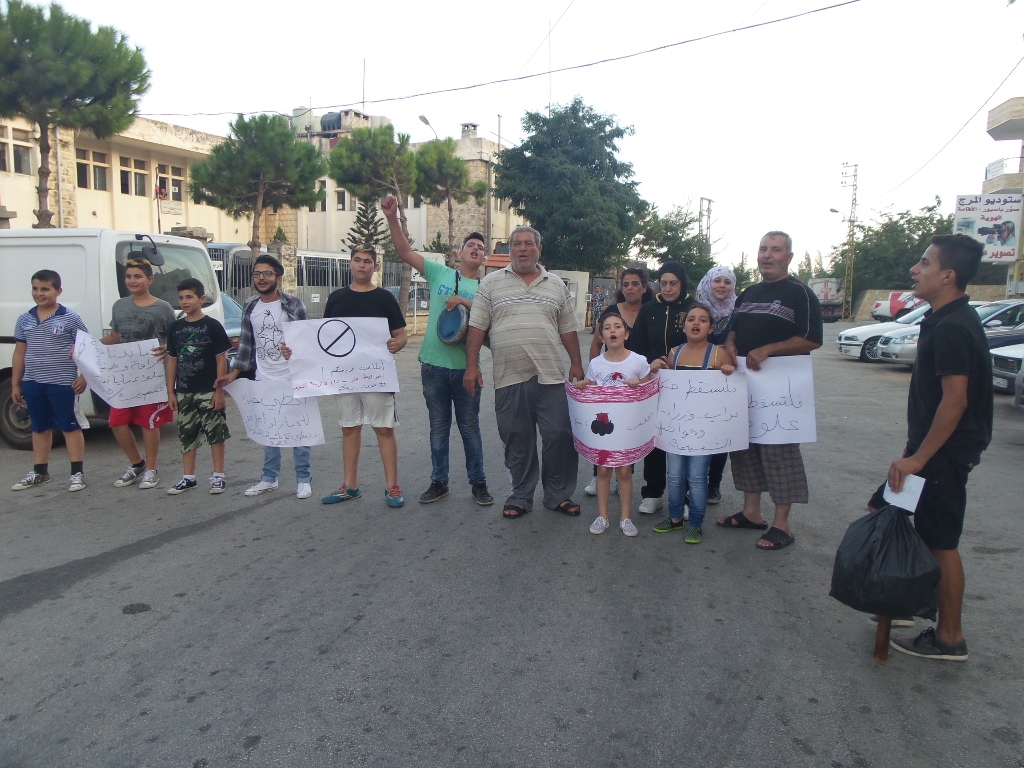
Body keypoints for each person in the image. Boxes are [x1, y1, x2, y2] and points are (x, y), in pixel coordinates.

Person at [871, 235, 992, 662]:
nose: (914, 270)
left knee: (940, 541)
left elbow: (955, 401)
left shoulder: (956, 326)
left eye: (924, 263)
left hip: (942, 454)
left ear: (948, 275)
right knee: (885, 515)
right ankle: (903, 602)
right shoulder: (940, 318)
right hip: (927, 448)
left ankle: (950, 637)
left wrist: (919, 458)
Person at [464, 225, 584, 520]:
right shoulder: (491, 283)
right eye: (516, 244)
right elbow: (477, 327)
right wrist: (471, 366)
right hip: (509, 375)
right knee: (517, 437)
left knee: (559, 434)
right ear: (509, 250)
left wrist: (577, 364)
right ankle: (521, 494)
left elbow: (568, 328)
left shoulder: (556, 285)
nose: (522, 248)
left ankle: (558, 495)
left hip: (552, 375)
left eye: (529, 244)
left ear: (539, 250)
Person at [381, 196, 492, 506]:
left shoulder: (486, 289)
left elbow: (491, 318)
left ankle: (478, 483)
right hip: (433, 366)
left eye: (481, 248)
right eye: (471, 245)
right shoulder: (440, 273)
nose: (476, 249)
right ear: (460, 253)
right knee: (438, 428)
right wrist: (392, 217)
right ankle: (439, 481)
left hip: (467, 369)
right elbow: (403, 252)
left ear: (484, 258)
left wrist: (466, 302)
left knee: (470, 428)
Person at [716, 231, 822, 550]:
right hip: (746, 383)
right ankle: (751, 512)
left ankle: (782, 523)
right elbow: (732, 329)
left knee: (779, 454)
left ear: (788, 257)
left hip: (781, 388)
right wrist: (731, 346)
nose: (767, 255)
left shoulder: (799, 293)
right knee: (745, 449)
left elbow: (812, 338)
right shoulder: (748, 293)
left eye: (775, 250)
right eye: (763, 249)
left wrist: (769, 349)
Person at [317, 243, 408, 508]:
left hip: (376, 377)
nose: (362, 265)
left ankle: (392, 486)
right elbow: (323, 337)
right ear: (350, 263)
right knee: (349, 427)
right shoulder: (336, 298)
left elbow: (400, 334)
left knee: (384, 428)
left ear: (375, 267)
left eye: (367, 261)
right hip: (345, 377)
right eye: (357, 260)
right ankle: (350, 485)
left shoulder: (385, 298)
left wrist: (397, 344)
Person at [216, 254, 313, 499]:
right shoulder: (250, 306)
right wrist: (234, 373)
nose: (261, 278)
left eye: (267, 273)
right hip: (264, 377)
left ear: (278, 278)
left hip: (293, 377)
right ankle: (269, 478)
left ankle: (303, 478)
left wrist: (295, 351)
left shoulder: (293, 305)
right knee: (270, 429)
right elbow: (246, 343)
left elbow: (308, 341)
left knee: (299, 429)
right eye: (257, 273)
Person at [650, 304, 736, 544]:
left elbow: (730, 390)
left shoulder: (719, 354)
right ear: (684, 325)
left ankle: (696, 524)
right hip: (677, 427)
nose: (696, 323)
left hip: (705, 430)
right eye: (691, 319)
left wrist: (728, 370)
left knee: (698, 478)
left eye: (703, 320)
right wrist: (657, 364)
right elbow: (661, 377)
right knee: (675, 475)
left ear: (710, 327)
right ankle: (676, 517)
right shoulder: (675, 353)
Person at [101, 257, 176, 490]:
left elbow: (175, 339)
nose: (132, 281)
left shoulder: (163, 308)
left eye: (137, 276)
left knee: (149, 424)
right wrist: (88, 347)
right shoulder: (119, 306)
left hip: (153, 378)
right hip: (124, 376)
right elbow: (115, 337)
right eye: (128, 276)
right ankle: (137, 464)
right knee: (117, 422)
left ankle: (152, 468)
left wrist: (169, 349)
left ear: (149, 279)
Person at [10, 270, 89, 493]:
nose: (39, 293)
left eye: (45, 289)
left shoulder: (70, 318)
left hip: (63, 383)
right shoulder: (24, 319)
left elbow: (86, 349)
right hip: (33, 382)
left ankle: (77, 473)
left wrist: (84, 377)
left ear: (58, 291)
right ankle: (40, 471)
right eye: (35, 288)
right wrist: (16, 384)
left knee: (69, 426)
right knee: (39, 426)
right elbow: (19, 353)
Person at [577, 311, 652, 537]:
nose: (612, 331)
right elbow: (591, 389)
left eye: (617, 326)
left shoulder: (638, 361)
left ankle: (625, 517)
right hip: (604, 428)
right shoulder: (596, 363)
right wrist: (583, 386)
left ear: (626, 334)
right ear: (601, 335)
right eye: (607, 327)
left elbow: (649, 391)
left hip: (628, 428)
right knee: (602, 470)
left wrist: (638, 384)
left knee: (625, 471)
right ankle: (603, 516)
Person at [628, 262, 695, 514]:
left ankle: (685, 498)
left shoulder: (694, 309)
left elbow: (701, 344)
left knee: (683, 441)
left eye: (673, 283)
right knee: (655, 440)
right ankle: (653, 493)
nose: (668, 288)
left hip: (687, 387)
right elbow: (636, 347)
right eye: (664, 283)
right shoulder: (648, 310)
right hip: (653, 383)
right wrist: (652, 363)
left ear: (682, 284)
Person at [584, 267, 652, 497]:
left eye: (635, 284)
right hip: (608, 385)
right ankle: (598, 473)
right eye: (626, 284)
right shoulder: (612, 311)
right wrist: (596, 371)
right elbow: (595, 343)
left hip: (635, 380)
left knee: (628, 430)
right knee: (602, 425)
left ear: (644, 287)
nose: (630, 288)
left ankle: (623, 474)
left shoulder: (650, 311)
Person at [165, 278, 232, 495]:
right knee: (187, 432)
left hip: (209, 388)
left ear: (201, 299)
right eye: (181, 298)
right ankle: (188, 477)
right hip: (184, 390)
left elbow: (221, 358)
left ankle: (219, 475)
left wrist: (219, 390)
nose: (184, 301)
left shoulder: (212, 326)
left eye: (189, 297)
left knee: (215, 431)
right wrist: (171, 391)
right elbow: (173, 359)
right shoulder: (175, 328)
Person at [695, 265, 738, 504]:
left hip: (725, 379)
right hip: (696, 381)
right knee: (697, 432)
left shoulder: (738, 312)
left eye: (727, 282)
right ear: (708, 283)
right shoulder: (697, 310)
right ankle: (694, 483)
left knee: (720, 434)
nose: (722, 286)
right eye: (717, 281)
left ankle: (714, 485)